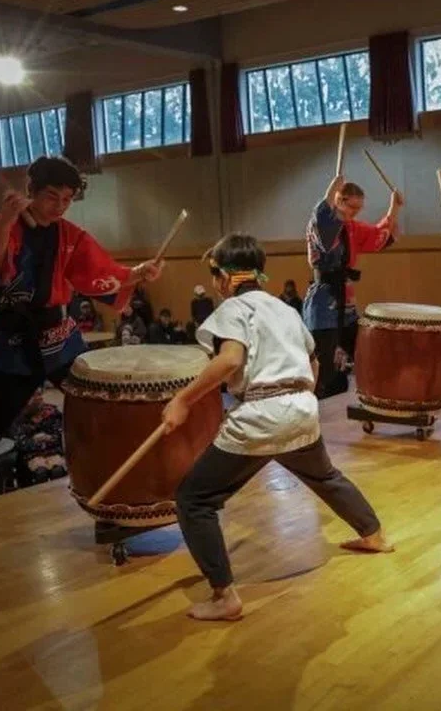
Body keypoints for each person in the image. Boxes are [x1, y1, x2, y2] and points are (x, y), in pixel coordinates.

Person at [0, 155, 163, 545]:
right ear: (31, 192)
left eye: (68, 199)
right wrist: (6, 222)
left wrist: (137, 274)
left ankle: (109, 509)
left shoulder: (70, 235)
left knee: (95, 414)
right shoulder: (0, 225)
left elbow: (100, 273)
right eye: (52, 197)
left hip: (58, 332)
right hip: (11, 338)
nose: (60, 206)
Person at [165, 234, 392, 622]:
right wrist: (297, 397)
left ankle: (224, 596)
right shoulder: (286, 309)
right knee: (325, 475)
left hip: (261, 415)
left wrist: (182, 399)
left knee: (193, 498)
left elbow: (229, 360)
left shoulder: (232, 309)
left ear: (223, 278)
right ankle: (373, 534)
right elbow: (314, 362)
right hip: (302, 408)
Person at [303, 175, 402, 399]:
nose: (355, 212)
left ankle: (373, 397)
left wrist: (393, 208)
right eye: (352, 206)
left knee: (363, 350)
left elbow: (379, 236)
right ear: (339, 200)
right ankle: (313, 409)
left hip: (346, 300)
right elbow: (325, 232)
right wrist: (330, 191)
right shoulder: (321, 223)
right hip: (324, 299)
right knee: (324, 363)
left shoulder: (352, 227)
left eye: (359, 208)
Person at [10, 388, 66, 485]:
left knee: (57, 471)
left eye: (39, 395)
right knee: (41, 472)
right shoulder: (20, 418)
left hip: (53, 453)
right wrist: (40, 441)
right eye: (34, 395)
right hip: (32, 456)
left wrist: (40, 440)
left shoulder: (53, 413)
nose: (39, 398)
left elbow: (59, 438)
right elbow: (21, 444)